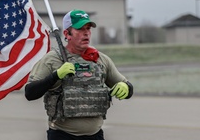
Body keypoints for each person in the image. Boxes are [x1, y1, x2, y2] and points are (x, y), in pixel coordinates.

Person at [25, 9, 133, 140]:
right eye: (80, 29)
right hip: (62, 135)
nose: (86, 33)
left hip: (95, 136)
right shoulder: (52, 59)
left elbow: (128, 87)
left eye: (88, 29)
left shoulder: (100, 59)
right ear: (67, 33)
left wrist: (125, 88)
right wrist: (56, 75)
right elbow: (30, 93)